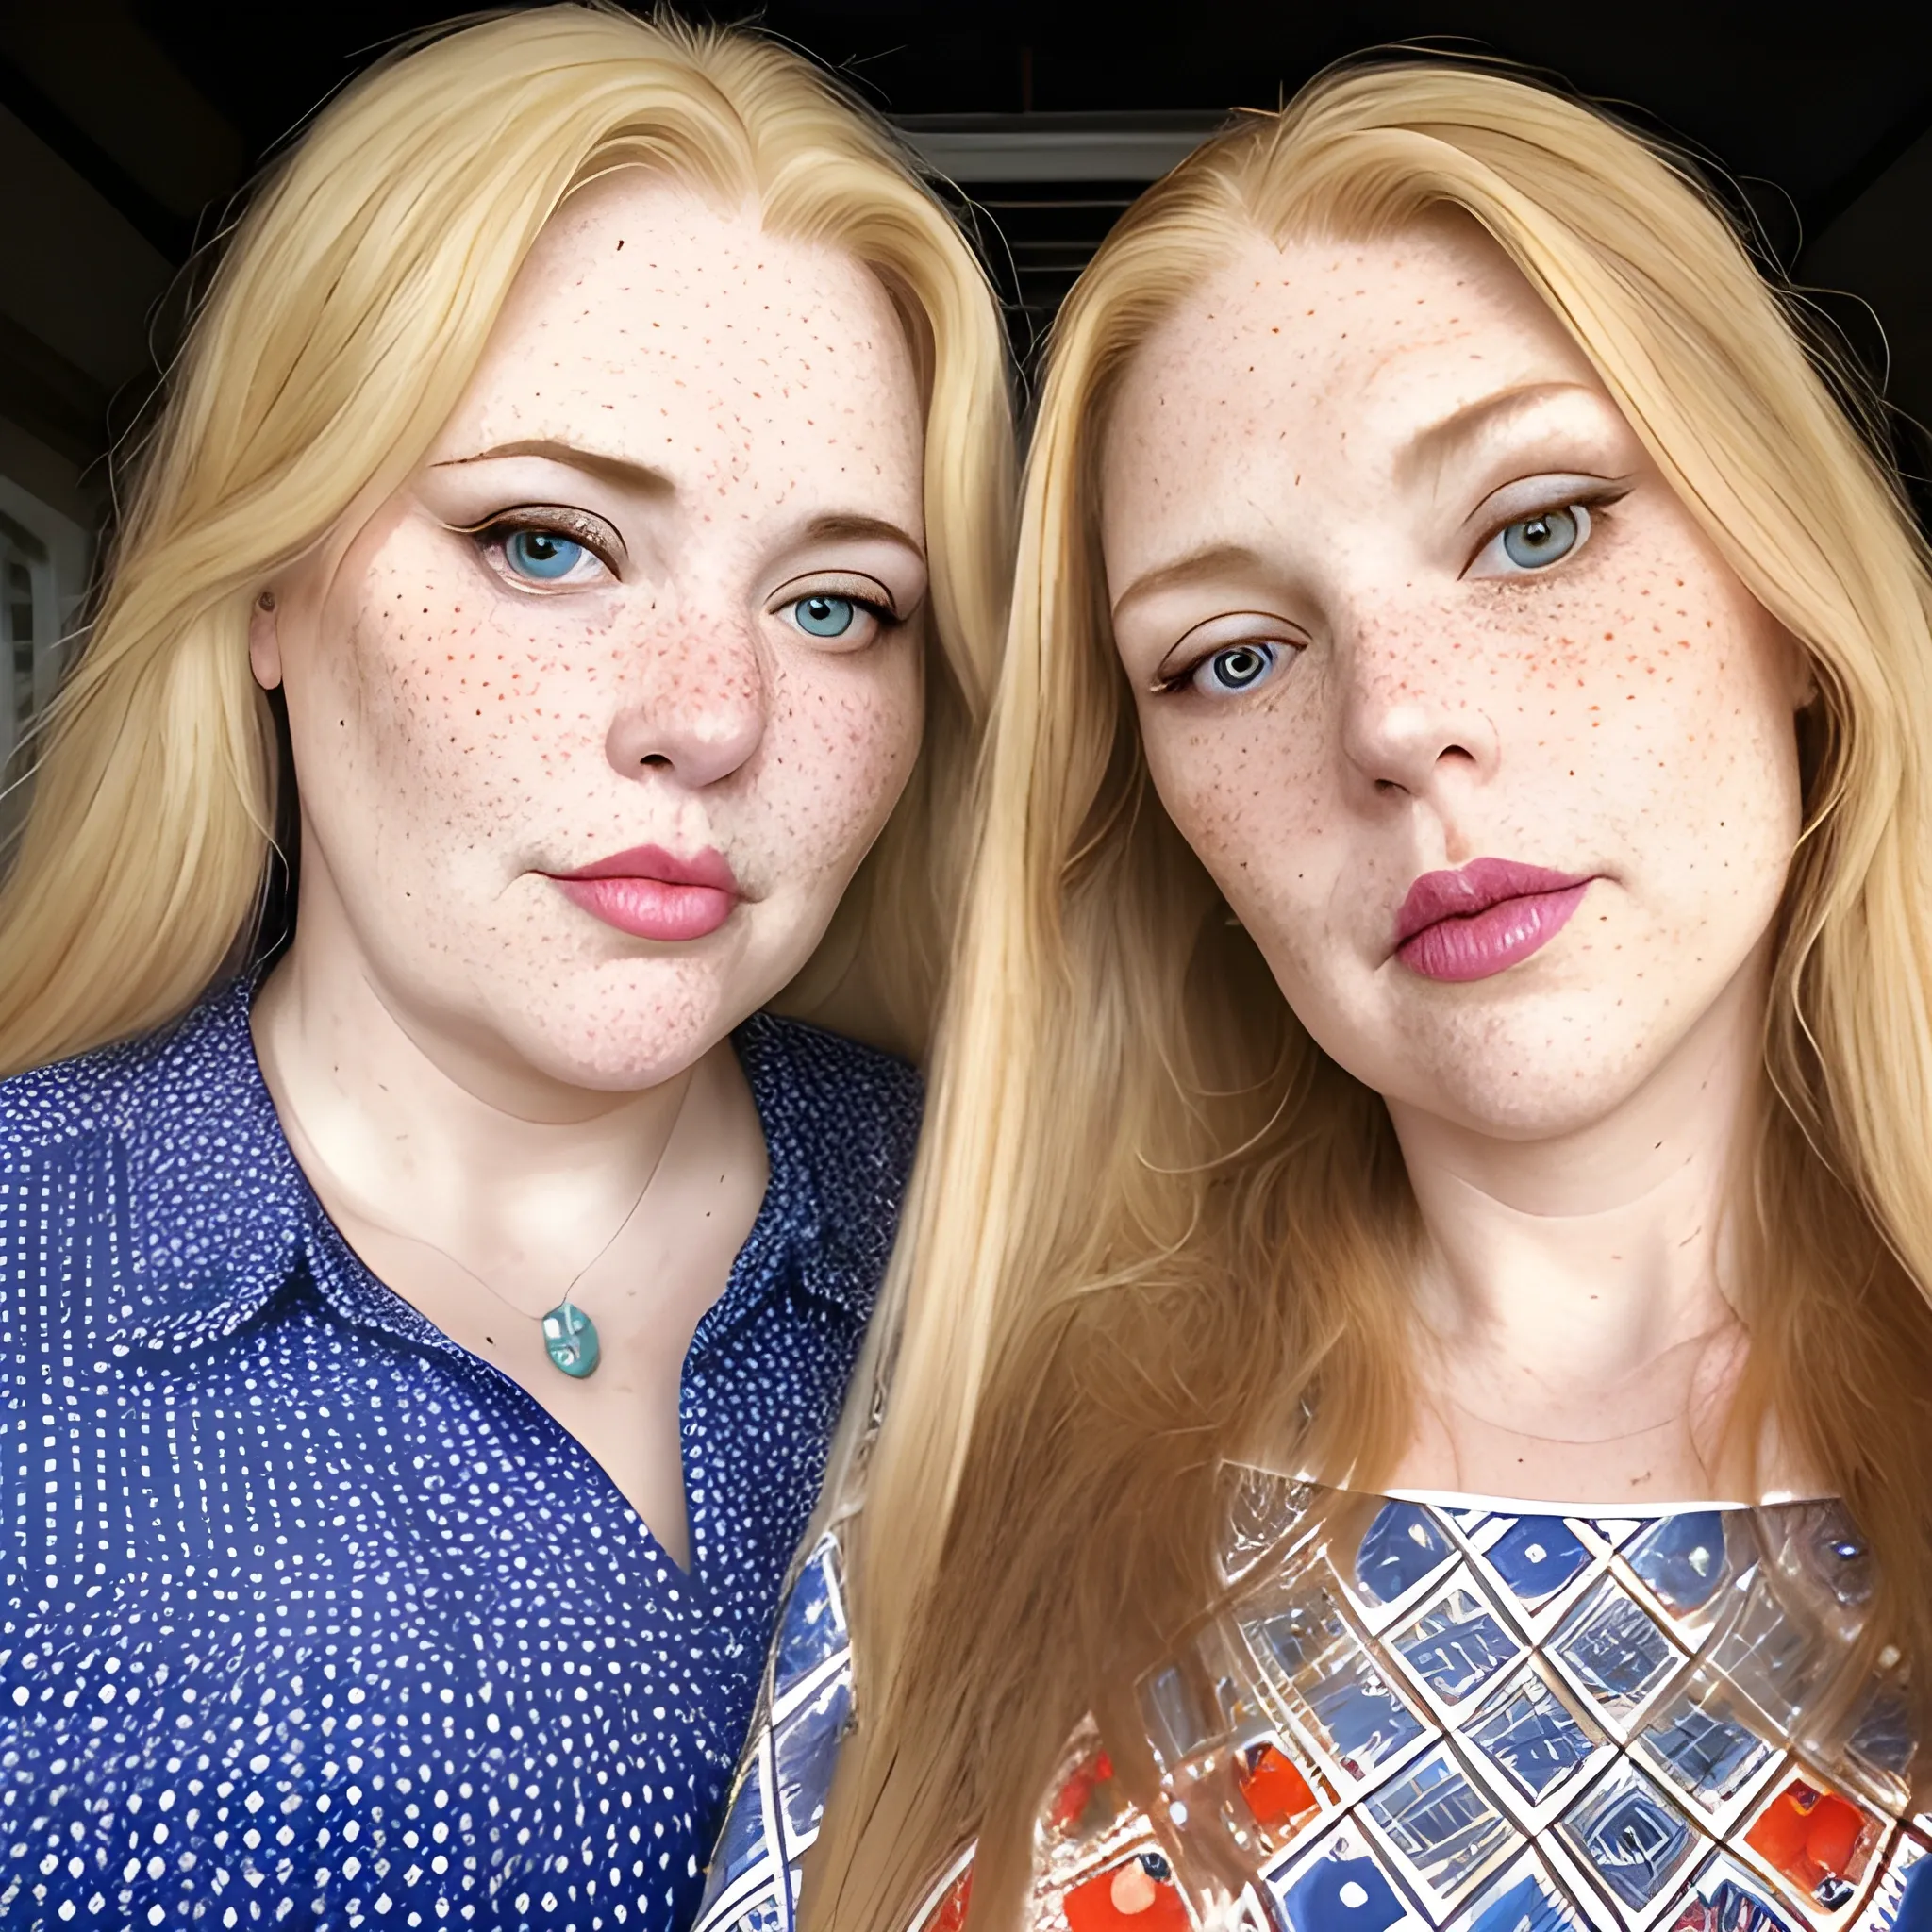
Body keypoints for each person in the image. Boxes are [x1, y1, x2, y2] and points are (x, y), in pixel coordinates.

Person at [696, 58, 1932, 1932]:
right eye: (1235, 654)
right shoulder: (962, 1497)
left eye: (1536, 525)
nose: (1390, 723)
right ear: (1166, 824)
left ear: (1792, 598)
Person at [0, 8, 1012, 1927]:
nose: (708, 719)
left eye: (834, 603)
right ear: (275, 582)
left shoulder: (1056, 1245)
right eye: (547, 543)